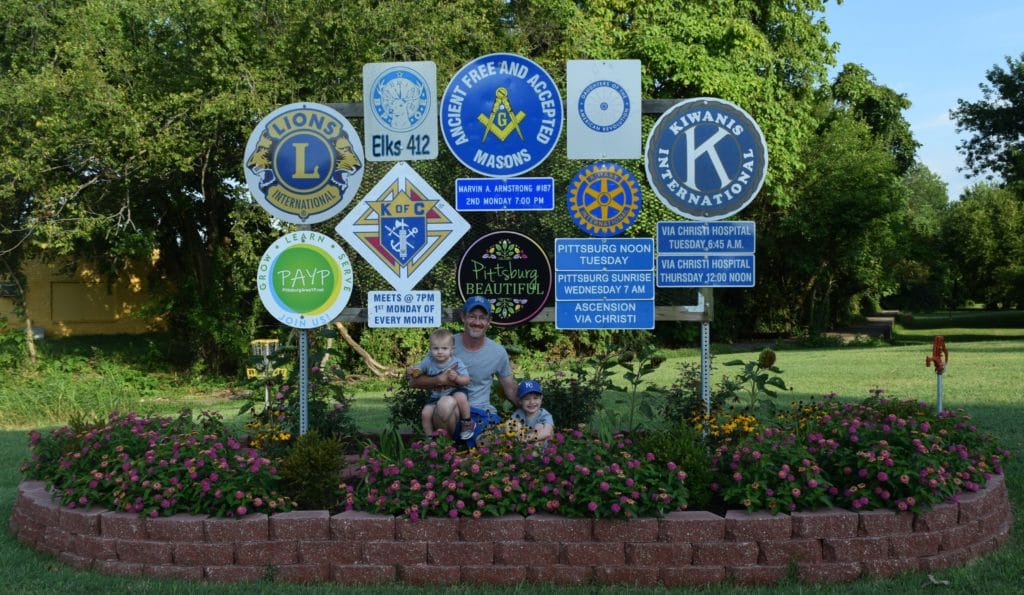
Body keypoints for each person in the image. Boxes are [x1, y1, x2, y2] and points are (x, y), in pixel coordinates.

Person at [409, 296, 518, 445]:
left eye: (482, 318)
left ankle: (470, 445)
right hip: (450, 412)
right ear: (463, 317)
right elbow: (414, 381)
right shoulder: (444, 344)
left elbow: (510, 389)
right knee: (445, 403)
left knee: (491, 444)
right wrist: (440, 379)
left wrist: (533, 409)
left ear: (489, 321)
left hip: (481, 412)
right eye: (472, 316)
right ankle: (446, 451)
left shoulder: (498, 352)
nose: (477, 322)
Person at [408, 328, 474, 439]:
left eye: (444, 348)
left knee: (462, 397)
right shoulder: (428, 361)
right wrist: (413, 371)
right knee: (425, 413)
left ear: (452, 349)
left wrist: (457, 378)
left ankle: (467, 422)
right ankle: (430, 438)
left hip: (454, 392)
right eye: (435, 348)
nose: (439, 352)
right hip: (436, 396)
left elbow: (467, 380)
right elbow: (418, 371)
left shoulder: (456, 362)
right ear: (430, 349)